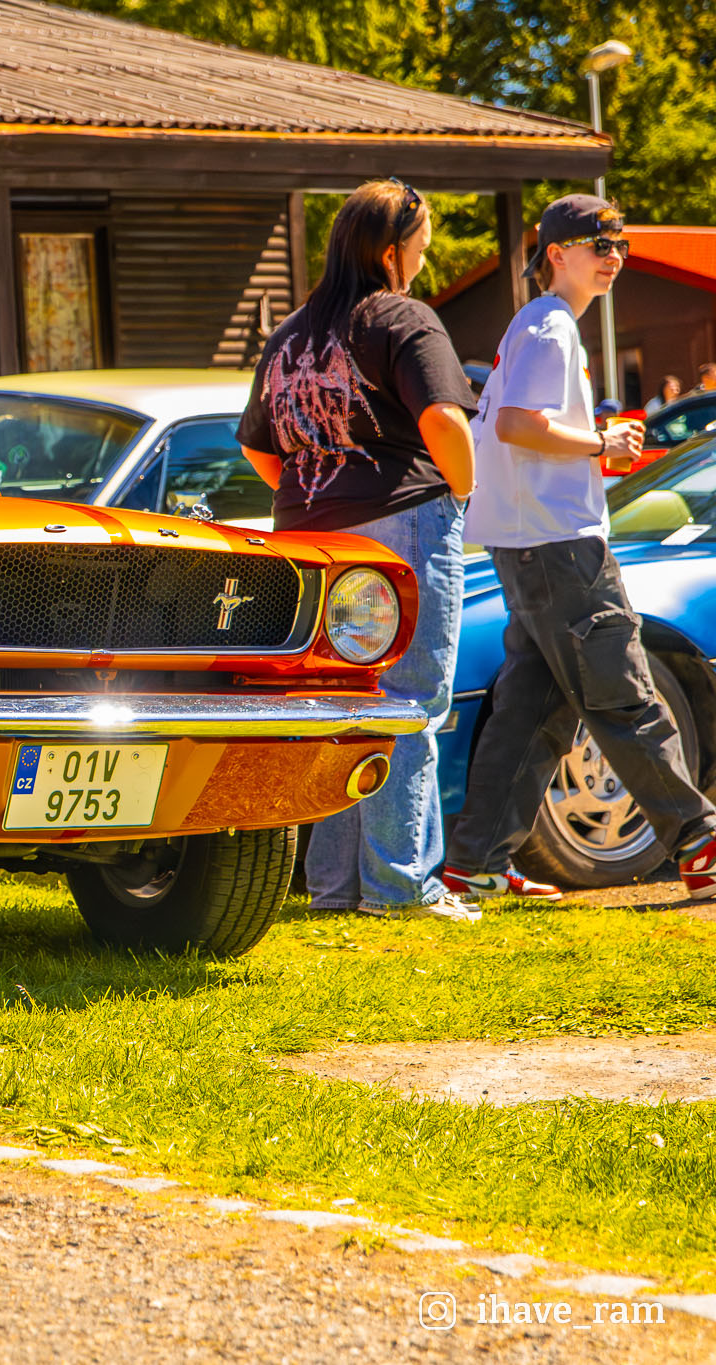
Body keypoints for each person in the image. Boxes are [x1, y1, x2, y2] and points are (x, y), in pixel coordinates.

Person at [444, 196, 716, 904]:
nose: (615, 258)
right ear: (557, 254)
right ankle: (701, 843)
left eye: (620, 245)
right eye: (601, 245)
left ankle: (473, 863)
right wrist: (601, 441)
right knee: (626, 695)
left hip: (529, 544)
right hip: (560, 546)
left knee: (532, 713)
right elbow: (516, 423)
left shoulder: (537, 323)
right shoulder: (552, 325)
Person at [237, 179, 482, 922]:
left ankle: (337, 888)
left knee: (337, 707)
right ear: (388, 253)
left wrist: (320, 492)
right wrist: (461, 491)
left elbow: (257, 449)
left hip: (307, 538)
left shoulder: (289, 335)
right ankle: (401, 887)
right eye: (421, 247)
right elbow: (444, 420)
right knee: (408, 704)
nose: (424, 260)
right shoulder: (403, 317)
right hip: (401, 523)